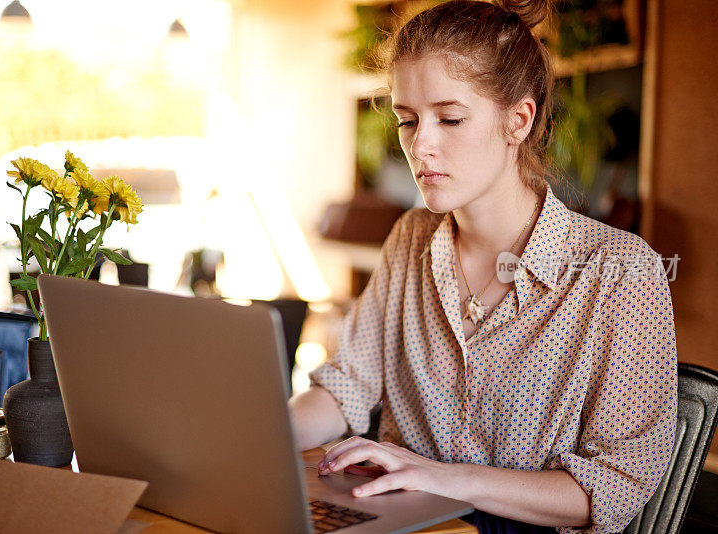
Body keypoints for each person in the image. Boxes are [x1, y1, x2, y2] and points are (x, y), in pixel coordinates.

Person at [288, 1, 677, 532]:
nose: (420, 144)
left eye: (449, 118)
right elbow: (345, 388)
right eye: (407, 120)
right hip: (402, 522)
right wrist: (260, 434)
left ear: (518, 120)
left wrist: (442, 478)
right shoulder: (410, 239)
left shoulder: (623, 272)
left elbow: (613, 485)